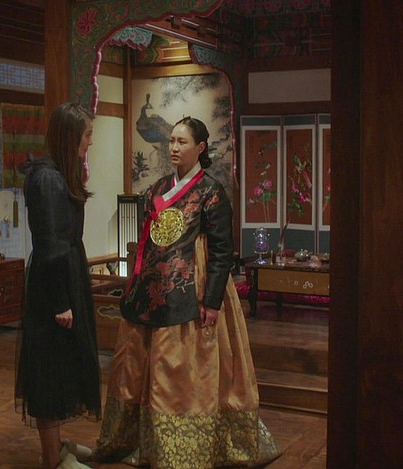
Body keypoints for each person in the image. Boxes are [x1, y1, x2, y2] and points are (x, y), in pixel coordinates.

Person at [93, 117, 282, 468]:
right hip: (151, 292)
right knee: (140, 366)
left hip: (191, 292)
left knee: (180, 372)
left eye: (182, 142)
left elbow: (222, 252)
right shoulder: (157, 188)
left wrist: (211, 302)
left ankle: (188, 449)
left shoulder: (211, 192)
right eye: (172, 141)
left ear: (200, 148)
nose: (174, 148)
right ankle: (143, 442)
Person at [15, 102, 101, 469]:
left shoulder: (60, 174)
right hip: (54, 284)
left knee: (65, 364)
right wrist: (61, 301)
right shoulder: (46, 179)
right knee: (49, 370)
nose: (90, 141)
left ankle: (59, 445)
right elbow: (50, 244)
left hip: (68, 274)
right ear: (70, 136)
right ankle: (51, 458)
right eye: (87, 135)